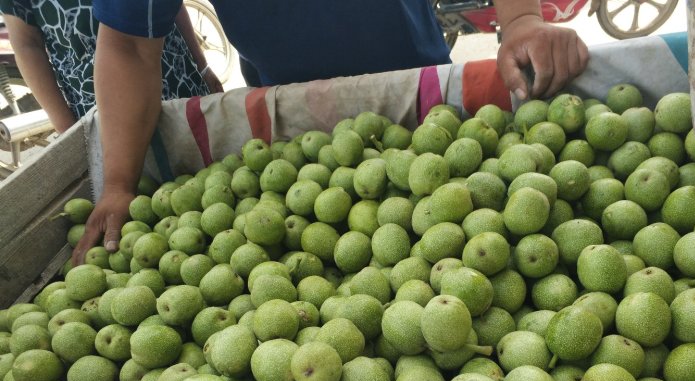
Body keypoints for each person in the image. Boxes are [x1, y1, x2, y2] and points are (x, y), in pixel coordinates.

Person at [73, 0, 588, 264]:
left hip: (424, 103)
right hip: (288, 133)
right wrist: (118, 182)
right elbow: (128, 45)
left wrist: (520, 21)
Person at [0, 1, 223, 133]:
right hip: (97, 100)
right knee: (140, 188)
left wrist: (202, 65)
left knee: (208, 153)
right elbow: (26, 45)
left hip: (175, 73)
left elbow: (168, 5)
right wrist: (67, 128)